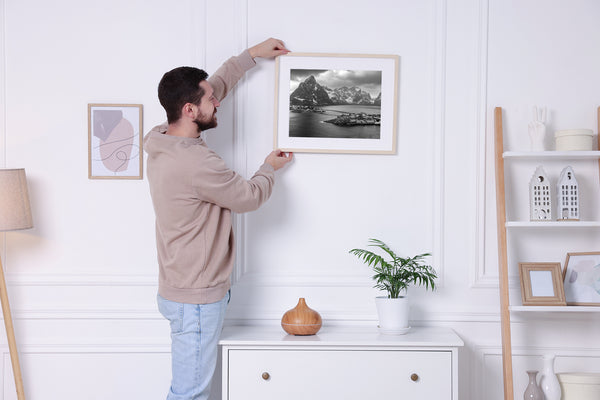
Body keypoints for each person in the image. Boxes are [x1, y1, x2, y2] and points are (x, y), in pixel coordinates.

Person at [144, 38, 293, 400]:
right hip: (195, 299)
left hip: (181, 289)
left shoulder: (161, 139)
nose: (218, 101)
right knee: (189, 394)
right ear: (190, 111)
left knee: (189, 390)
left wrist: (249, 57)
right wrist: (268, 168)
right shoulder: (196, 162)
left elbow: (213, 87)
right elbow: (248, 197)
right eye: (211, 100)